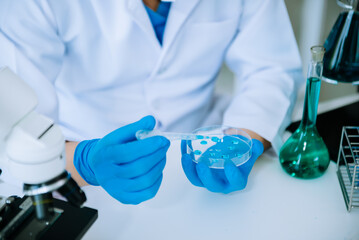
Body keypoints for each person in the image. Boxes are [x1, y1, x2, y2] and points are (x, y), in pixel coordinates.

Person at [0, 0, 302, 203]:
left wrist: (246, 140)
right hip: (83, 166)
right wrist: (83, 163)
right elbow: (12, 124)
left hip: (201, 159)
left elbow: (271, 69)